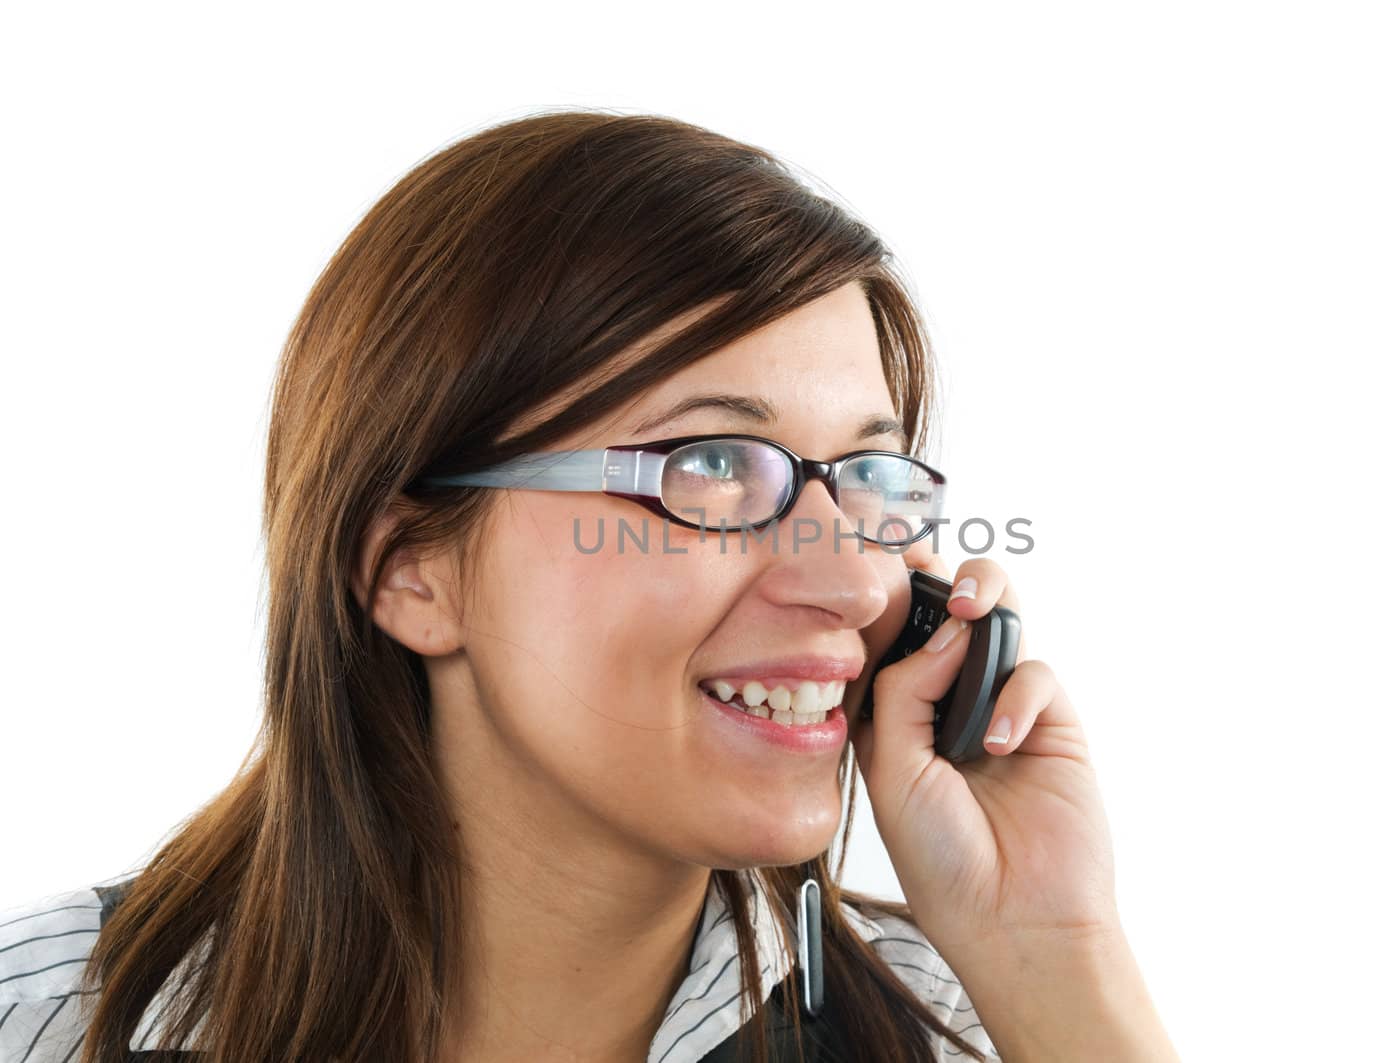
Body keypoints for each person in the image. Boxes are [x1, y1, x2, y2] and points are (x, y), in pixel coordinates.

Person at [0, 110, 1178, 1062]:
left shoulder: (963, 1026)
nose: (847, 581)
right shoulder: (50, 1021)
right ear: (408, 568)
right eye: (711, 466)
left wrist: (1055, 956)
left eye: (868, 476)